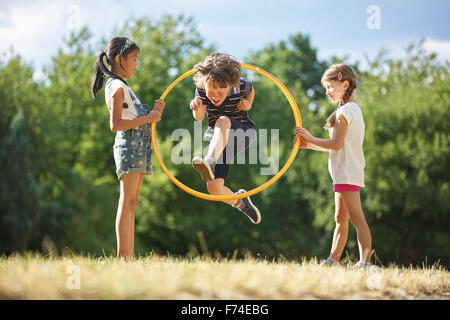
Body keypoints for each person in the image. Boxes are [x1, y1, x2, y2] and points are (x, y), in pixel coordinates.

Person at [91, 37, 166, 260]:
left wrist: (153, 115)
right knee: (126, 202)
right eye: (133, 59)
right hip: (129, 146)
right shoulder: (117, 87)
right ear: (118, 59)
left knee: (132, 202)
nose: (135, 63)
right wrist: (149, 118)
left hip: (137, 146)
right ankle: (124, 256)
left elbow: (132, 116)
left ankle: (129, 254)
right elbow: (115, 124)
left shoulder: (121, 86)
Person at [295, 64, 376, 268]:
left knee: (357, 219)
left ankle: (365, 263)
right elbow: (337, 148)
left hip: (347, 173)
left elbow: (336, 144)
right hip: (343, 174)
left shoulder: (345, 112)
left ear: (345, 84)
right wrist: (311, 145)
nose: (327, 91)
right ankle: (333, 259)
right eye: (325, 88)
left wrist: (312, 138)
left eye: (330, 86)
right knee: (341, 218)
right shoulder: (347, 110)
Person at [189, 53, 261, 224]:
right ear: (203, 85)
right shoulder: (201, 89)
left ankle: (210, 160)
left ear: (231, 85)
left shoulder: (240, 87)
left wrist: (248, 104)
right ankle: (241, 203)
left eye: (220, 91)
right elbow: (199, 118)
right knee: (214, 188)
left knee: (222, 120)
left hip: (243, 132)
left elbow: (251, 90)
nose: (215, 95)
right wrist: (196, 108)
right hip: (220, 141)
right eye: (211, 91)